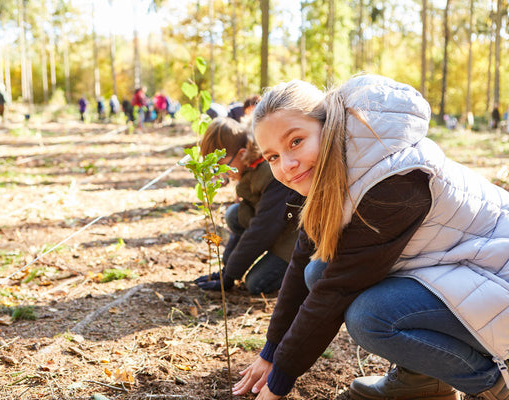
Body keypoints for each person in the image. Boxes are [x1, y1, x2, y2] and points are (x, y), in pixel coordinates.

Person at [233, 75, 509, 400]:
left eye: (295, 141)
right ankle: (423, 382)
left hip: (497, 278)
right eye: (273, 157)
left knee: (372, 316)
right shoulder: (333, 169)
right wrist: (270, 351)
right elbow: (300, 263)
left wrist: (277, 384)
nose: (288, 165)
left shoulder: (391, 179)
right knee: (316, 269)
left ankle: (494, 385)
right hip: (462, 270)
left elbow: (336, 291)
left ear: (329, 124)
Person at [194, 118, 302, 295]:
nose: (222, 173)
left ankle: (301, 275)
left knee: (256, 283)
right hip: (276, 226)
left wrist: (229, 277)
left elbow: (261, 230)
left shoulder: (270, 172)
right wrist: (226, 269)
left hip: (295, 237)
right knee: (234, 214)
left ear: (241, 153)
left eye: (223, 166)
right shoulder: (249, 168)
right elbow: (250, 220)